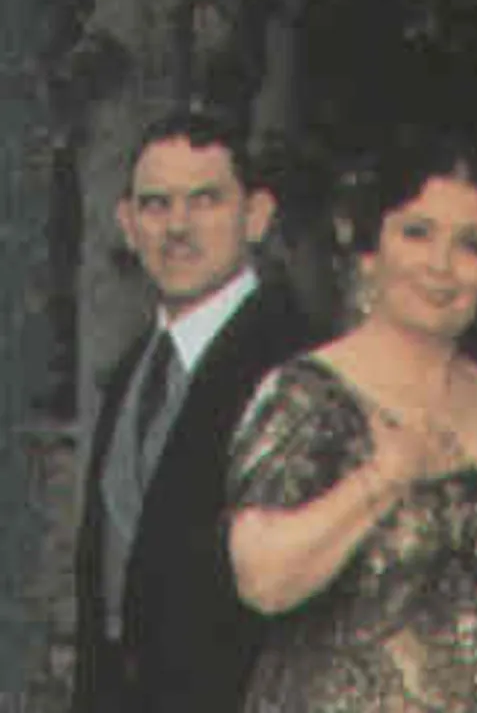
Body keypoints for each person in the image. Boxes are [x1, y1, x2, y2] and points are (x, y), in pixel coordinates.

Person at [224, 130, 477, 711]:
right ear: (369, 252)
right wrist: (384, 478)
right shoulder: (308, 395)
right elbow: (262, 580)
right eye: (416, 233)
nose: (441, 265)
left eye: (470, 245)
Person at [71, 109, 318, 713]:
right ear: (127, 223)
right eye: (155, 205)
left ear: (256, 215)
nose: (177, 227)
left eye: (205, 200)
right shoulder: (133, 370)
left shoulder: (297, 369)